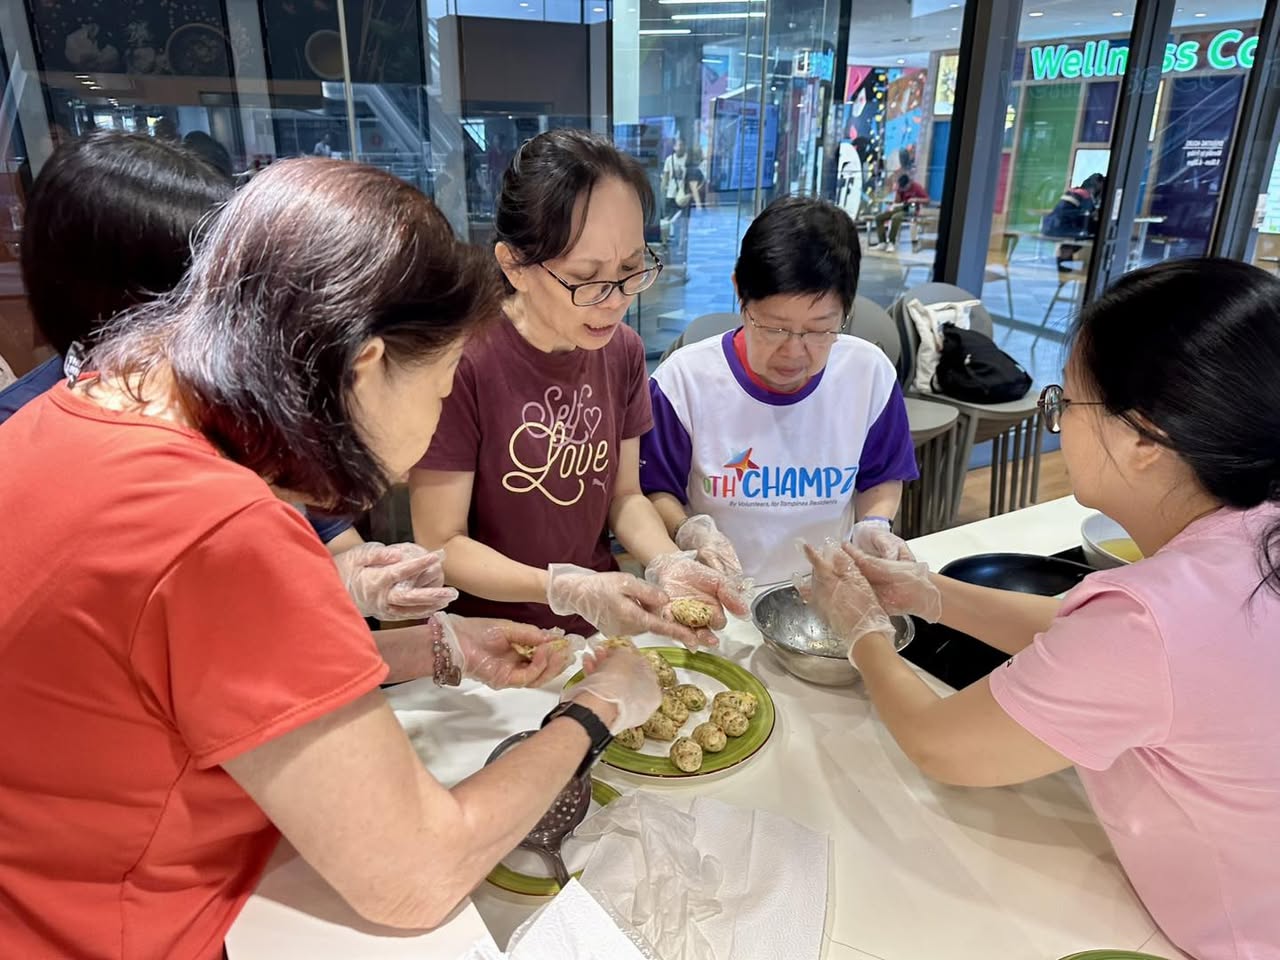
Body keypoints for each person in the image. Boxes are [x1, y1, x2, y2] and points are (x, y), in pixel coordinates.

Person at [0, 158, 662, 956]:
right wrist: (597, 711)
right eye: (445, 384)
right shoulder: (222, 530)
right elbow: (415, 874)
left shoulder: (89, 406)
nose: (442, 411)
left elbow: (197, 678)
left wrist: (433, 646)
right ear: (368, 365)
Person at [803, 258, 1280, 959]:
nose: (1059, 422)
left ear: (1144, 439)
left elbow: (943, 745)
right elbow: (1082, 635)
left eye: (1068, 405)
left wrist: (864, 633)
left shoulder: (1155, 617)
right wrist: (928, 595)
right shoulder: (1249, 538)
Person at [0, 131, 447, 625]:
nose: (249, 316)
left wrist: (370, 593)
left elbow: (331, 546)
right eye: (220, 287)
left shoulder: (243, 418)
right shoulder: (55, 430)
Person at [411, 129, 747, 647]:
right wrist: (560, 587)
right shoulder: (463, 361)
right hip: (491, 642)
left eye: (632, 269)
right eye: (586, 278)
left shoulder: (623, 351)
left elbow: (625, 496)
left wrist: (666, 561)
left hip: (600, 629)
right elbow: (441, 543)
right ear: (513, 265)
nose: (614, 301)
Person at [640, 196, 917, 586]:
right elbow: (655, 490)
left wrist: (874, 524)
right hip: (721, 593)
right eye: (773, 327)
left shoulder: (869, 375)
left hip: (825, 595)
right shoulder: (683, 383)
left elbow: (882, 475)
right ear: (740, 293)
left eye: (820, 330)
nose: (793, 352)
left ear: (847, 311)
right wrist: (689, 530)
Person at [1042, 172, 1105, 270]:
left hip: (1049, 227)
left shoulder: (1074, 191)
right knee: (1098, 232)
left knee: (1086, 234)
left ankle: (1065, 268)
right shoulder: (1085, 195)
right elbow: (1087, 217)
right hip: (1060, 229)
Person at [870, 172, 929, 252]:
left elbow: (927, 200)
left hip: (911, 208)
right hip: (901, 206)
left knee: (896, 217)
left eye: (904, 188)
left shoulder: (916, 187)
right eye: (902, 188)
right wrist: (895, 194)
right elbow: (897, 202)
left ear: (909, 183)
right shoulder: (900, 188)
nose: (903, 189)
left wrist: (916, 199)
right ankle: (882, 242)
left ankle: (891, 242)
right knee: (879, 218)